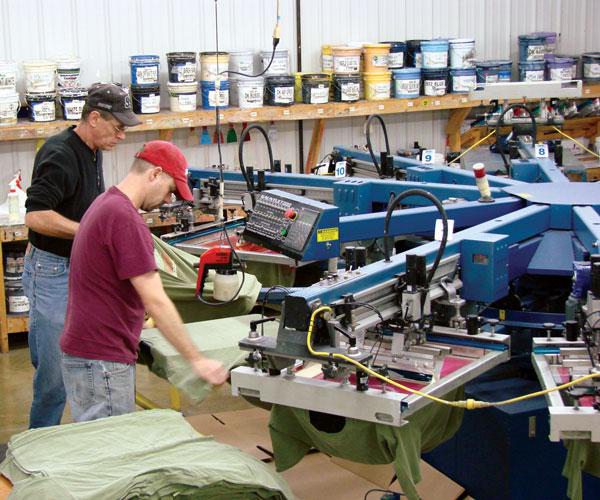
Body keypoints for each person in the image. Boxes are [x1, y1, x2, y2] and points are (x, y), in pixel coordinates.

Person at [60, 140, 228, 422]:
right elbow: (157, 300)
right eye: (170, 191)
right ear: (154, 174)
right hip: (103, 360)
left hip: (88, 352)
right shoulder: (125, 219)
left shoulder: (105, 203)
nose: (167, 201)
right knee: (114, 453)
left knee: (100, 448)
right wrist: (197, 360)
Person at [23, 83, 141, 428]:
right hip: (52, 271)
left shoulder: (92, 149)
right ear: (93, 118)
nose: (121, 135)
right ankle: (38, 450)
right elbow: (35, 216)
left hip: (76, 268)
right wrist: (89, 232)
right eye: (117, 127)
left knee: (77, 361)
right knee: (53, 379)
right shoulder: (60, 153)